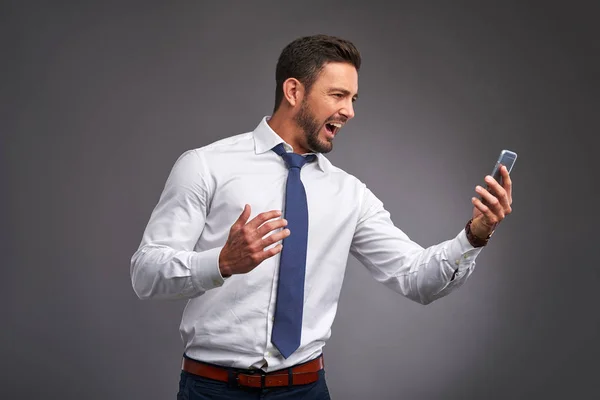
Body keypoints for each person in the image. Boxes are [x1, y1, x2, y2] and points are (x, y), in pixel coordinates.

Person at [130, 34, 513, 399]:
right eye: (338, 95)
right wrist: (222, 262)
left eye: (354, 98)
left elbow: (416, 279)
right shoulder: (205, 166)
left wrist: (475, 235)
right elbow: (146, 273)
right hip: (211, 390)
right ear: (294, 91)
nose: (349, 111)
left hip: (305, 390)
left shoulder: (349, 194)